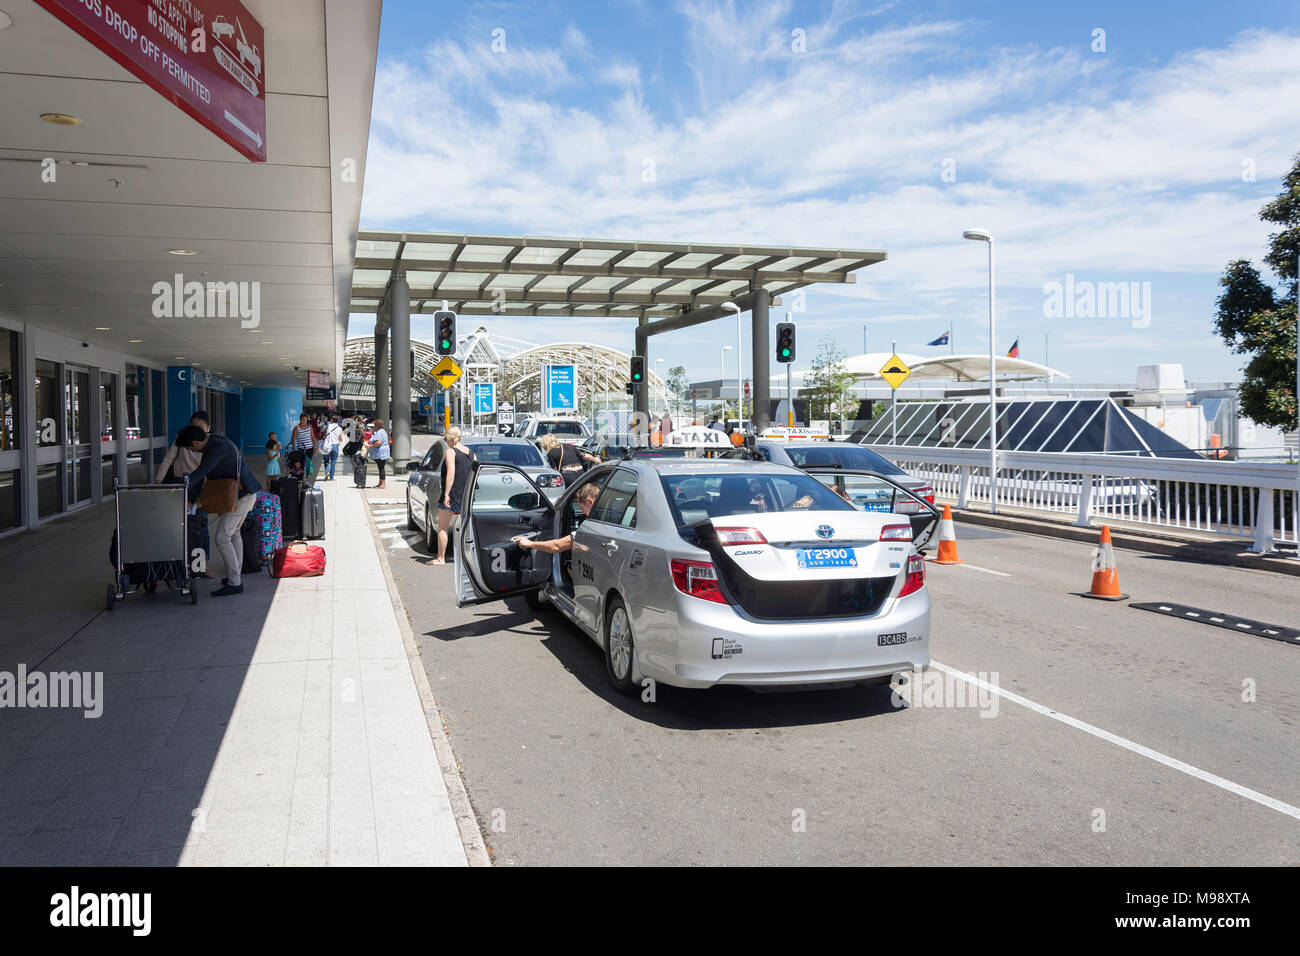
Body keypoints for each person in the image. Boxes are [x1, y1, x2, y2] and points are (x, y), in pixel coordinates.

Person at [176, 424, 262, 596]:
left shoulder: (217, 446)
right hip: (241, 494)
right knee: (234, 533)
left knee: (222, 537)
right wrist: (192, 495)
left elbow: (203, 471)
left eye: (190, 449)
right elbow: (205, 475)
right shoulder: (214, 443)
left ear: (195, 443)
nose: (192, 452)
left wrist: (183, 484)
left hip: (242, 495)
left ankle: (235, 582)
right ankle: (234, 574)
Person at [512, 481, 600, 555]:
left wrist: (529, 543)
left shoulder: (593, 527)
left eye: (582, 508)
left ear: (589, 502)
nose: (583, 513)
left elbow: (557, 546)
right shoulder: (605, 518)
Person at [430, 427, 475, 565]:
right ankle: (468, 558)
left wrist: (446, 494)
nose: (446, 442)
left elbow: (451, 473)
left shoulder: (451, 452)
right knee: (466, 528)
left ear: (450, 439)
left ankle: (440, 558)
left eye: (445, 439)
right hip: (467, 495)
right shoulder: (471, 453)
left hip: (454, 494)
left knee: (442, 527)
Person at [155, 410, 210, 482]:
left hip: (199, 481)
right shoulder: (182, 437)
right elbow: (168, 459)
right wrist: (158, 479)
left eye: (200, 428)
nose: (195, 431)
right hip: (179, 479)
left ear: (208, 428)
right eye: (193, 427)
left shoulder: (210, 442)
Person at [367, 417, 391, 489]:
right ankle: (380, 483)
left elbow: (378, 442)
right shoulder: (382, 431)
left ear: (377, 426)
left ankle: (383, 484)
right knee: (381, 468)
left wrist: (370, 445)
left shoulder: (379, 432)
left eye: (374, 425)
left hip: (380, 453)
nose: (374, 427)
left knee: (381, 468)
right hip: (383, 452)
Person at [321, 414, 343, 481]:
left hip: (327, 445)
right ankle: (331, 477)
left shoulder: (328, 425)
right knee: (333, 462)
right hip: (335, 446)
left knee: (326, 460)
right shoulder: (340, 428)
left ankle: (327, 472)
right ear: (338, 421)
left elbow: (323, 432)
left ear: (331, 420)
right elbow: (341, 439)